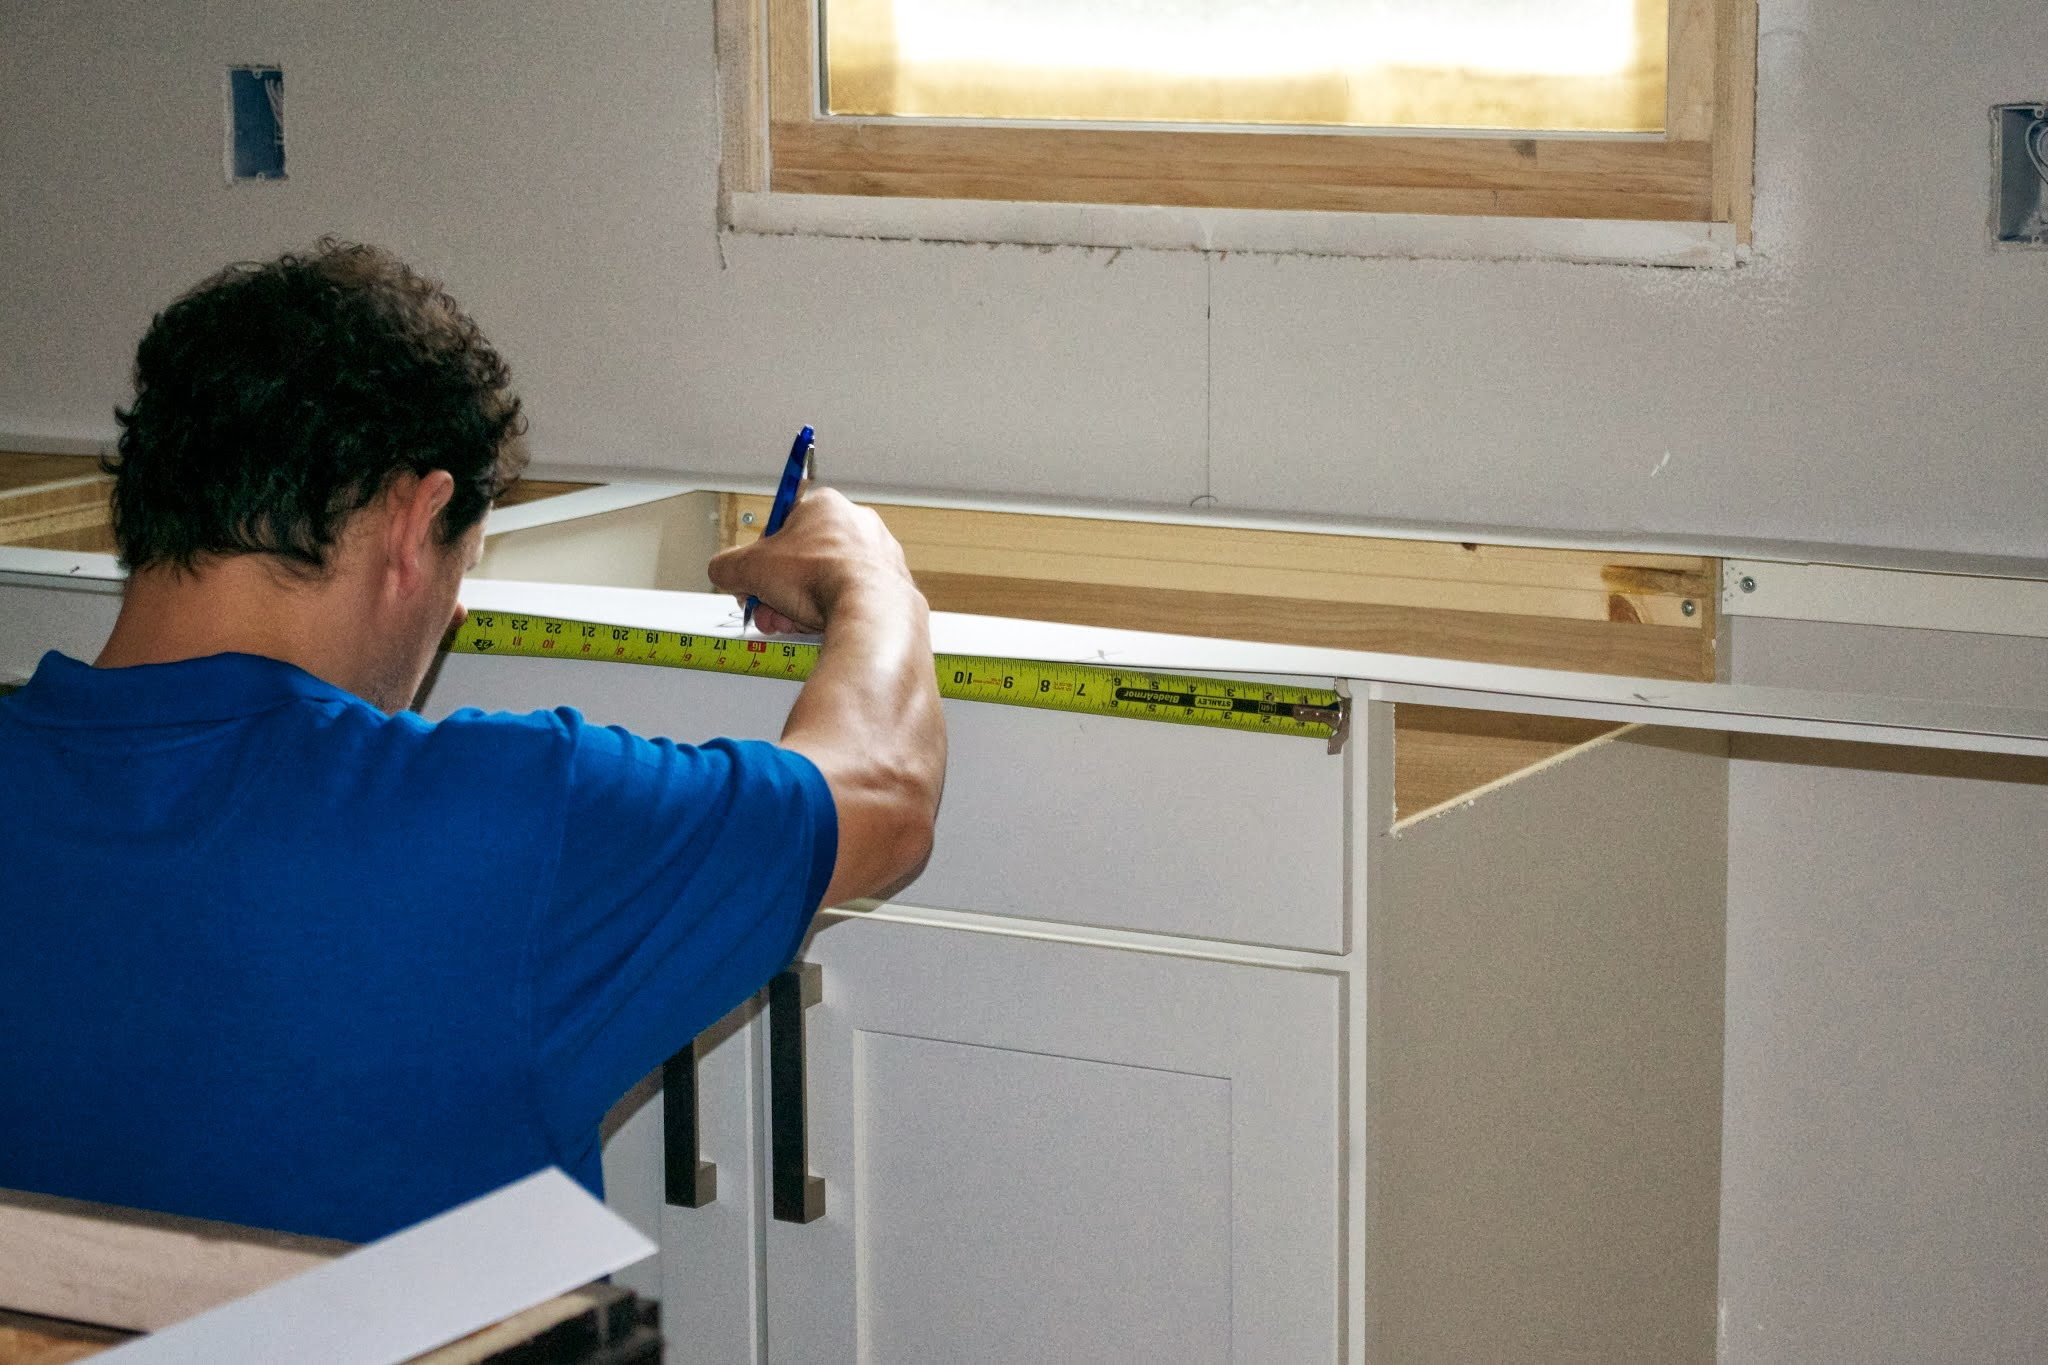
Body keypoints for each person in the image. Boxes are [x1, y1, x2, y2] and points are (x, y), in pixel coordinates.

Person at [0, 240, 946, 1242]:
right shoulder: (506, 824)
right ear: (417, 520)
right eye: (464, 566)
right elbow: (881, 793)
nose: (451, 615)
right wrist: (868, 576)